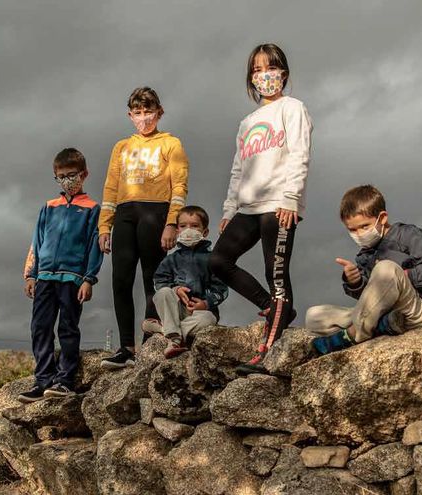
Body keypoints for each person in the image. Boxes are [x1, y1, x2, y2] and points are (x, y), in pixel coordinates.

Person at [210, 42, 313, 375]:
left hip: (279, 204)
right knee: (218, 260)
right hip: (248, 206)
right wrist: (229, 209)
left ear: (283, 72)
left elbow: (299, 154)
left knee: (275, 274)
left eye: (270, 68)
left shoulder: (293, 108)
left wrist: (291, 198)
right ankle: (275, 308)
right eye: (257, 70)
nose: (263, 75)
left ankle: (267, 354)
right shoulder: (247, 122)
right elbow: (238, 169)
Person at [100, 87, 190, 369]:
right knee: (121, 279)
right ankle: (126, 348)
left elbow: (179, 186)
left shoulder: (171, 143)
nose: (143, 117)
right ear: (130, 115)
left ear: (159, 112)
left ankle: (150, 342)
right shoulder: (121, 147)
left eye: (148, 111)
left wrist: (172, 222)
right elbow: (110, 188)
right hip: (125, 214)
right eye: (138, 113)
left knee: (153, 278)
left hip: (156, 212)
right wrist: (104, 226)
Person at [306, 185, 422, 354]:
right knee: (314, 316)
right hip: (379, 313)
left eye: (364, 226)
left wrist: (400, 276)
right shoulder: (365, 254)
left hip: (411, 309)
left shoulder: (407, 234)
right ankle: (383, 326)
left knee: (385, 269)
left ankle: (353, 335)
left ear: (382, 218)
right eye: (352, 230)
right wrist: (355, 282)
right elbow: (370, 298)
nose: (359, 234)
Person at [19, 148, 103, 403]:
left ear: (84, 174)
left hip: (73, 279)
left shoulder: (92, 209)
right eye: (61, 176)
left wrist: (88, 278)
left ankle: (64, 380)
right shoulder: (49, 207)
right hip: (45, 276)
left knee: (68, 328)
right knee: (40, 327)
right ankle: (43, 380)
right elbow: (37, 241)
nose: (67, 181)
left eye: (72, 175)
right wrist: (31, 274)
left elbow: (95, 245)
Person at [144, 205, 228, 358]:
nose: (188, 230)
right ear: (177, 231)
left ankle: (167, 330)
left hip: (199, 313)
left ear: (205, 232)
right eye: (183, 226)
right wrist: (175, 289)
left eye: (194, 226)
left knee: (208, 320)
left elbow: (221, 289)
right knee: (163, 293)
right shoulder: (171, 259)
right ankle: (175, 337)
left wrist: (206, 303)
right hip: (176, 310)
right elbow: (159, 281)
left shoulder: (212, 259)